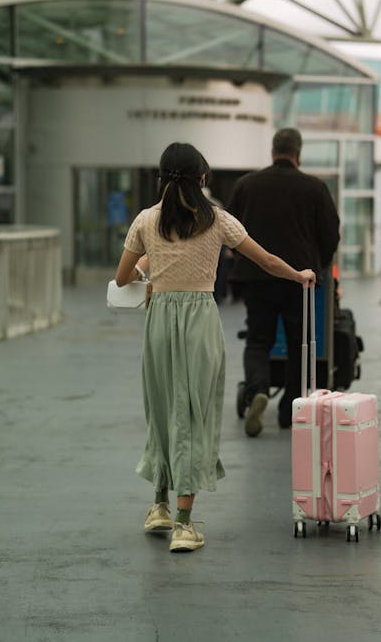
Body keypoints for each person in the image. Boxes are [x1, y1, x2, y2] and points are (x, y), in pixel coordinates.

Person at [115, 142, 315, 553]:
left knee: (163, 407)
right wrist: (299, 275)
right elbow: (266, 261)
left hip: (159, 322)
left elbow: (122, 278)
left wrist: (149, 267)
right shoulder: (219, 221)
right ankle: (185, 526)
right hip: (200, 322)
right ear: (201, 179)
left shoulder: (146, 220)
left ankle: (159, 505)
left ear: (161, 178)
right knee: (195, 412)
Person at [228, 128, 340, 437]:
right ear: (298, 153)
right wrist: (320, 263)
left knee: (257, 340)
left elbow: (230, 231)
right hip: (299, 280)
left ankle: (258, 390)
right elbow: (331, 233)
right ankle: (290, 409)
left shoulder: (245, 186)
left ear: (272, 151)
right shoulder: (314, 188)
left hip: (255, 277)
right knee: (298, 343)